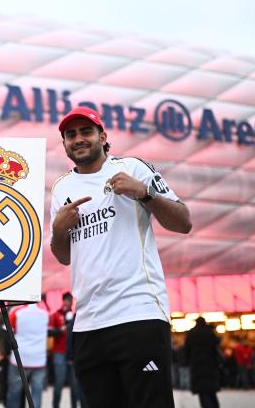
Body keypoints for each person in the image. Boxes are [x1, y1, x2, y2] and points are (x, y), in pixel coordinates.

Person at [50, 107, 192, 408]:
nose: (78, 139)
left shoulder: (133, 168)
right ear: (64, 144)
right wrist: (59, 230)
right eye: (70, 135)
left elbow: (183, 222)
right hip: (88, 323)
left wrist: (145, 194)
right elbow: (64, 257)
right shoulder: (62, 187)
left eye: (85, 132)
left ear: (103, 136)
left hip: (138, 313)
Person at [6, 302, 49, 408]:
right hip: (39, 359)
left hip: (20, 358)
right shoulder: (45, 313)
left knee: (14, 392)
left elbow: (8, 332)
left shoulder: (16, 312)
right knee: (36, 394)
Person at [49, 291, 80, 408]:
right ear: (63, 301)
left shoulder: (75, 315)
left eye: (70, 300)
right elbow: (49, 332)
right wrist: (61, 330)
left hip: (72, 352)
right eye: (67, 300)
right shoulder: (56, 314)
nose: (68, 302)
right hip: (59, 352)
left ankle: (74, 405)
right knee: (59, 382)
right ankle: (55, 405)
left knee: (74, 384)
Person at [184, 317, 221, 408]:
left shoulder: (191, 333)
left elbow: (186, 350)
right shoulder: (209, 331)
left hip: (197, 366)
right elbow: (217, 343)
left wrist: (187, 361)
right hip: (210, 364)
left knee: (202, 392)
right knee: (211, 392)